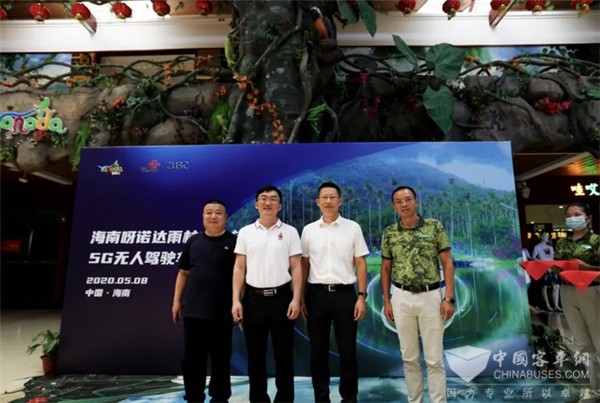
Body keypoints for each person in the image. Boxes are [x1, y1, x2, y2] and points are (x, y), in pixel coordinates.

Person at [380, 186, 455, 403]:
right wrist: (387, 301)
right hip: (401, 297)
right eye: (398, 201)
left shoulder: (434, 226)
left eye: (407, 199)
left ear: (416, 201)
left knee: (434, 359)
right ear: (394, 206)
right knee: (409, 358)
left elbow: (447, 263)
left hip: (431, 296)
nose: (403, 204)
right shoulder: (390, 232)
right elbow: (386, 268)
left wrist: (448, 298)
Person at [231, 185, 303, 403]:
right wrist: (236, 300)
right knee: (255, 356)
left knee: (284, 355)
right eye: (263, 198)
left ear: (279, 206)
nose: (268, 202)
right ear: (256, 205)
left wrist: (296, 299)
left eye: (273, 199)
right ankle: (258, 398)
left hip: (282, 299)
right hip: (253, 300)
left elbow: (296, 267)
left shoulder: (290, 232)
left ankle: (285, 399)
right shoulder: (245, 232)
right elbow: (239, 268)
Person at [300, 181, 369, 403]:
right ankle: (321, 398)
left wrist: (361, 296)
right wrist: (300, 297)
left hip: (345, 295)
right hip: (316, 295)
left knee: (347, 352)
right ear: (317, 202)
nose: (328, 201)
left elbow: (360, 263)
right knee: (318, 352)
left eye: (332, 197)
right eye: (324, 197)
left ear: (340, 201)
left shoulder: (353, 228)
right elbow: (304, 265)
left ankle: (349, 398)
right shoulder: (309, 230)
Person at [172, 199, 237, 403]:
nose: (213, 216)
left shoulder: (234, 242)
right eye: (209, 212)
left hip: (222, 313)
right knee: (192, 360)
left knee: (221, 360)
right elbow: (183, 272)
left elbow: (241, 275)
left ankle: (220, 397)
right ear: (202, 216)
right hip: (194, 312)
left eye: (218, 212)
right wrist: (176, 301)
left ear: (225, 217)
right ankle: (193, 396)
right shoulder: (193, 241)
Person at [553, 202, 599, 402]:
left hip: (591, 290)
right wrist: (555, 267)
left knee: (599, 339)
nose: (572, 218)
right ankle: (593, 390)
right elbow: (558, 264)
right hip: (567, 290)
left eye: (577, 214)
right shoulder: (562, 243)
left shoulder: (596, 241)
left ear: (588, 218)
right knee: (583, 344)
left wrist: (584, 267)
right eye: (569, 215)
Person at [532, 231, 561, 312]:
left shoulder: (550, 247)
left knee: (556, 286)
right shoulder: (537, 247)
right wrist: (541, 263)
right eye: (545, 236)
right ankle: (548, 305)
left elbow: (553, 257)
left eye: (547, 236)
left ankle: (556, 305)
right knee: (544, 286)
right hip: (543, 268)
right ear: (541, 237)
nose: (546, 237)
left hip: (552, 267)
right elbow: (533, 257)